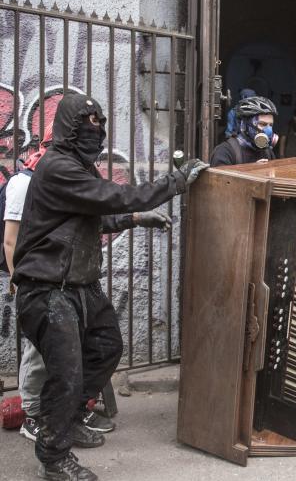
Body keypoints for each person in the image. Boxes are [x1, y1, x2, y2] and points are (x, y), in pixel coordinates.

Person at [13, 94, 208, 480]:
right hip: (48, 288)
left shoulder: (78, 171)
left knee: (105, 347)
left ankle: (65, 418)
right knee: (66, 374)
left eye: (100, 124)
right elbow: (112, 197)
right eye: (87, 124)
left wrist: (134, 219)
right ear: (68, 129)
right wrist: (174, 183)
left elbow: (92, 220)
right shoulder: (58, 168)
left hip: (78, 286)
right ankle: (53, 457)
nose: (96, 131)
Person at [6, 125, 116, 445]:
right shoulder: (25, 183)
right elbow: (12, 239)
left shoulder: (64, 180)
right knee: (37, 353)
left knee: (67, 354)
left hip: (67, 281)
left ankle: (67, 414)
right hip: (37, 281)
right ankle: (32, 415)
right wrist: (19, 280)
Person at [211, 96, 279, 167]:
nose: (268, 131)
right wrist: (252, 171)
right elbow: (219, 178)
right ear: (244, 125)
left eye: (270, 125)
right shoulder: (225, 152)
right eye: (262, 124)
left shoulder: (267, 152)